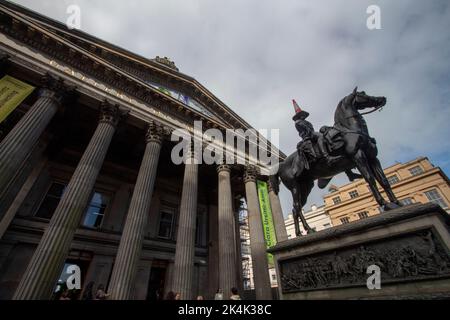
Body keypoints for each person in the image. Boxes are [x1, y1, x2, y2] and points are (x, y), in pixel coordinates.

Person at [292, 99, 339, 170]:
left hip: (312, 133)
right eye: (301, 114)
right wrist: (311, 133)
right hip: (307, 135)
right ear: (299, 115)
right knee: (321, 137)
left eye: (303, 114)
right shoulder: (298, 122)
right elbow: (307, 129)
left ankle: (331, 146)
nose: (303, 116)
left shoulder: (305, 121)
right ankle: (327, 157)